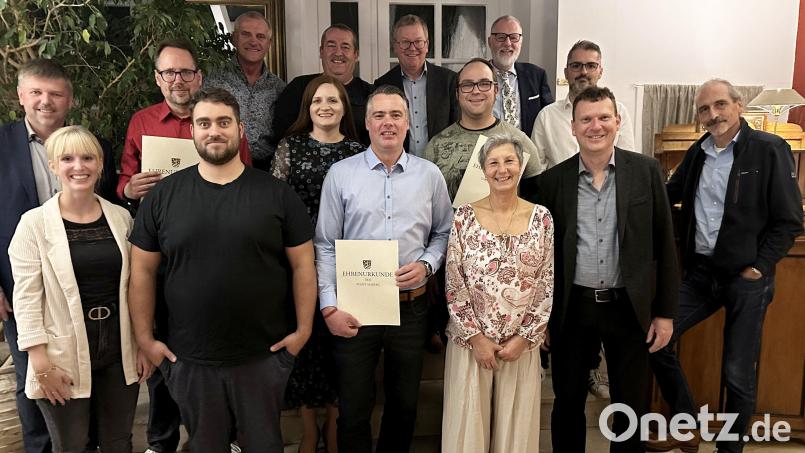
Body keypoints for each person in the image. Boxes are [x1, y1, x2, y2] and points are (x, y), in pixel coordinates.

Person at [128, 87, 316, 452]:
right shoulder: (163, 196)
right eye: (204, 123)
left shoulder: (276, 194)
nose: (214, 131)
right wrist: (145, 340)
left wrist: (303, 332)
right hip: (189, 357)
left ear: (240, 129)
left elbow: (303, 266)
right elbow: (142, 273)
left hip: (264, 355)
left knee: (263, 445)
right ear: (193, 132)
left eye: (223, 122)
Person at [646, 79, 804, 453]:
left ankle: (729, 451)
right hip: (702, 274)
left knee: (737, 373)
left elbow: (790, 220)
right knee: (653, 339)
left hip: (747, 279)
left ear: (739, 105)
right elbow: (668, 195)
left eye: (719, 105)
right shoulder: (698, 151)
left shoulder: (770, 149)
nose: (713, 114)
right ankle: (686, 424)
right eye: (704, 109)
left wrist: (760, 267)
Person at [522, 86, 679, 452]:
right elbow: (539, 257)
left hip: (630, 307)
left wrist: (666, 313)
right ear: (573, 128)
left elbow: (665, 245)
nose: (596, 126)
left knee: (630, 405)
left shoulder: (646, 172)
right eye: (586, 119)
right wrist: (540, 315)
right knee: (568, 401)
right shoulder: (552, 182)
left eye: (604, 117)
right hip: (572, 308)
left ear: (618, 122)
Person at [116, 38, 251, 453]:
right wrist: (130, 188)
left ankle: (221, 438)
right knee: (165, 344)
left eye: (186, 72)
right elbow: (121, 183)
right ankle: (162, 440)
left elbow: (243, 175)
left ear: (199, 76)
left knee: (217, 341)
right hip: (164, 251)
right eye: (169, 72)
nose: (178, 80)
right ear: (158, 79)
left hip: (220, 249)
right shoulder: (142, 122)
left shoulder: (220, 121)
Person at [315, 85, 453, 453]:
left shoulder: (429, 175)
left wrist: (427, 265)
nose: (387, 123)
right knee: (354, 409)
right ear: (366, 122)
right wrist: (328, 306)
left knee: (404, 406)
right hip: (354, 309)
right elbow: (325, 245)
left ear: (408, 123)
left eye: (395, 115)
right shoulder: (340, 175)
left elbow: (444, 232)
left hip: (411, 308)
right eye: (379, 115)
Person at [9, 126, 153, 452]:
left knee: (119, 442)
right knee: (71, 445)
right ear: (52, 166)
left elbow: (136, 286)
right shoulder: (33, 224)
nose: (79, 166)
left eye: (88, 157)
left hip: (120, 349)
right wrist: (40, 362)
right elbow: (27, 296)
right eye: (67, 158)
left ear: (101, 164)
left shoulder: (121, 218)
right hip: (61, 355)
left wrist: (143, 342)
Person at [441, 133, 553, 453]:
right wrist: (476, 338)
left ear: (520, 166)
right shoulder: (463, 216)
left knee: (515, 434)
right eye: (493, 162)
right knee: (467, 432)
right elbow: (454, 282)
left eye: (509, 161)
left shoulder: (541, 218)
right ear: (483, 170)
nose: (502, 169)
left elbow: (546, 283)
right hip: (471, 344)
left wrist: (525, 337)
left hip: (519, 345)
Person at [270, 74, 363, 453]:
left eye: (333, 100)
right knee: (306, 342)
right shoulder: (289, 147)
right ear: (307, 108)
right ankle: (309, 429)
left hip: (349, 262)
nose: (325, 106)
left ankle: (336, 424)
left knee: (340, 346)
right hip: (299, 258)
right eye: (317, 101)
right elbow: (275, 203)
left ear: (344, 107)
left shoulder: (359, 151)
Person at [1, 58, 78, 453]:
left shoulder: (86, 145)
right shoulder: (1, 144)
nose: (45, 102)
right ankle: (40, 447)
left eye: (55, 94)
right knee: (31, 374)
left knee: (82, 368)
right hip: (20, 286)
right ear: (21, 97)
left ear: (69, 100)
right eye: (36, 93)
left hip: (81, 284)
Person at [424, 58, 543, 199]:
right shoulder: (436, 146)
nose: (476, 91)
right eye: (467, 85)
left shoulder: (520, 142)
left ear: (496, 90)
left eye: (484, 84)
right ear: (457, 94)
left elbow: (536, 201)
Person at [531, 40, 636, 170]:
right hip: (561, 189)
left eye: (591, 66)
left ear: (600, 72)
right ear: (566, 72)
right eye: (576, 65)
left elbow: (628, 162)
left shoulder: (619, 112)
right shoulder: (547, 117)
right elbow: (536, 169)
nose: (584, 72)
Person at [205, 11, 286, 170]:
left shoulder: (280, 89)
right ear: (234, 38)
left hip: (267, 171)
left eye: (260, 36)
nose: (253, 41)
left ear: (269, 44)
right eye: (246, 34)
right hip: (221, 166)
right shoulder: (212, 83)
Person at [272, 24, 373, 146]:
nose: (338, 52)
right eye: (331, 46)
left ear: (356, 55)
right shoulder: (298, 88)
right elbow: (282, 134)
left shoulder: (370, 94)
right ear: (321, 52)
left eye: (345, 47)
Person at [374, 14, 460, 156]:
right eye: (405, 42)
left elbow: (457, 128)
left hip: (441, 167)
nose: (412, 48)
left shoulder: (449, 80)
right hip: (398, 168)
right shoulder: (382, 85)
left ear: (426, 45)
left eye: (418, 42)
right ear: (395, 46)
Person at [487, 15, 554, 136]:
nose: (508, 43)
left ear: (521, 42)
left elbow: (549, 118)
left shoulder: (537, 76)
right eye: (501, 37)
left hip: (526, 151)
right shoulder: (475, 76)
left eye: (514, 38)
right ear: (490, 42)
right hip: (485, 151)